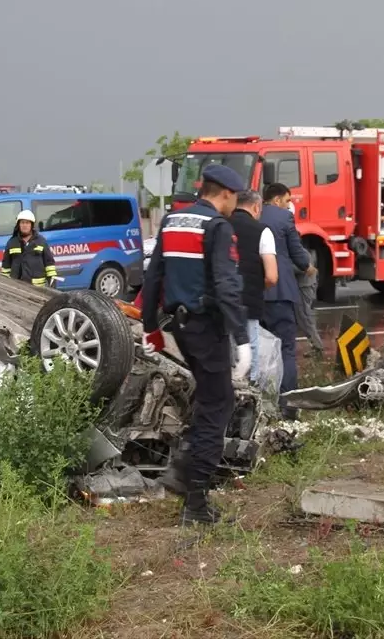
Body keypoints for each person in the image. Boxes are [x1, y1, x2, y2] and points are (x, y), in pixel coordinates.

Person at [141, 164, 251, 526]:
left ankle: (183, 470)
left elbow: (154, 274)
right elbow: (226, 284)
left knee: (208, 399)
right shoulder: (218, 227)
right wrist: (243, 339)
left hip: (181, 329)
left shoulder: (173, 220)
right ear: (225, 194)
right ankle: (196, 500)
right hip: (207, 328)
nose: (234, 205)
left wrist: (150, 327)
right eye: (234, 198)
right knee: (218, 405)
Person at [260, 183, 313, 416]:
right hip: (280, 292)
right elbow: (298, 254)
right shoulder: (284, 218)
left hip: (254, 294)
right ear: (278, 200)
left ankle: (261, 404)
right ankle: (288, 408)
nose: (289, 204)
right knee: (286, 350)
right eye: (288, 199)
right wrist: (308, 266)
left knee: (259, 350)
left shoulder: (251, 215)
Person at [228, 190, 278, 384]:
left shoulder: (220, 226)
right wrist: (257, 286)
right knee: (250, 348)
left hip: (220, 301)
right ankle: (250, 393)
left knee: (227, 350)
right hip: (249, 301)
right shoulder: (262, 231)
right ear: (256, 207)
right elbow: (272, 276)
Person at [1, 210, 58, 286]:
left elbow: (49, 264)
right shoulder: (12, 242)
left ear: (32, 225)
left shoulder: (41, 241)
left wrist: (52, 281)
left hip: (38, 289)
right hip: (17, 288)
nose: (25, 225)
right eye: (22, 222)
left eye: (27, 223)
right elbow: (6, 267)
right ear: (19, 225)